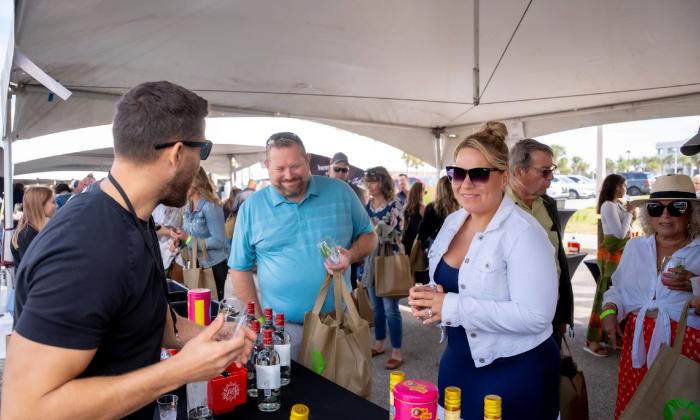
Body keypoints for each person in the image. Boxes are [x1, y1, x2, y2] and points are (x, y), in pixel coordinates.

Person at [2, 81, 255, 420]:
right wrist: (181, 370)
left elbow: (145, 313)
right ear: (178, 154)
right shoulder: (85, 246)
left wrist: (212, 335)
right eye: (202, 151)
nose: (200, 165)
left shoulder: (134, 216)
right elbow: (25, 410)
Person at [408, 123, 560, 419]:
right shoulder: (453, 221)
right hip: (458, 364)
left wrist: (450, 306)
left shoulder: (523, 232)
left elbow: (536, 315)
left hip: (515, 372)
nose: (466, 184)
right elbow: (451, 284)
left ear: (503, 178)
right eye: (457, 173)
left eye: (478, 174)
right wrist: (431, 296)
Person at [229, 132, 377, 359]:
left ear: (307, 159)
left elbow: (369, 236)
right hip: (283, 330)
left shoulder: (340, 192)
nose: (288, 175)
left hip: (337, 322)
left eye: (295, 166)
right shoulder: (252, 208)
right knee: (291, 392)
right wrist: (260, 322)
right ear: (267, 166)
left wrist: (352, 254)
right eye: (279, 169)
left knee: (342, 390)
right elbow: (240, 269)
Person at [601, 174, 700, 419]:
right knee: (636, 407)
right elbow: (618, 289)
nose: (665, 215)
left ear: (691, 214)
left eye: (677, 207)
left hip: (685, 342)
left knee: (679, 408)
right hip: (639, 341)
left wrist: (695, 284)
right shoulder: (636, 247)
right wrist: (609, 311)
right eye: (656, 208)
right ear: (649, 215)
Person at [508, 137, 574, 346]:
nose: (551, 177)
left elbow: (558, 258)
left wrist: (564, 310)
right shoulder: (496, 207)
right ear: (519, 171)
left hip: (551, 312)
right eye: (545, 171)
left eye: (552, 170)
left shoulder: (548, 205)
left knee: (549, 372)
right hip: (511, 315)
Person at [360, 166, 406, 369]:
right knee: (376, 307)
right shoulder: (369, 203)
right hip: (371, 259)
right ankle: (379, 343)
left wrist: (375, 227)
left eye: (373, 181)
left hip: (389, 259)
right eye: (368, 181)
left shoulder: (394, 204)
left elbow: (399, 231)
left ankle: (397, 351)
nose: (370, 185)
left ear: (383, 182)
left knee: (391, 308)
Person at [584, 174, 634, 357]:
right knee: (605, 296)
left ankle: (610, 335)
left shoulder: (617, 205)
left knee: (619, 295)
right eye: (624, 185)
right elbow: (620, 235)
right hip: (612, 255)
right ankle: (592, 340)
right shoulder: (608, 206)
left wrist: (628, 212)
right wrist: (630, 213)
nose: (626, 189)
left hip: (621, 255)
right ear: (615, 187)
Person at [172, 167, 230, 300]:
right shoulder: (187, 207)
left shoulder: (211, 207)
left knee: (213, 308)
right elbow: (189, 236)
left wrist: (189, 240)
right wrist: (180, 240)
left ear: (195, 182)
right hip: (196, 264)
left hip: (213, 266)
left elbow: (219, 241)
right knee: (198, 308)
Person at [10, 186, 56, 267]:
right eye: (53, 202)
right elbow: (33, 268)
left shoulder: (31, 231)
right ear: (41, 204)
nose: (55, 206)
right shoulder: (27, 235)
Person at [417, 175, 459, 249]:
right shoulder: (459, 207)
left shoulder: (431, 207)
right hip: (455, 247)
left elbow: (422, 231)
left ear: (438, 189)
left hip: (435, 247)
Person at [402, 181, 427, 283]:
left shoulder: (405, 207)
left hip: (406, 240)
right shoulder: (422, 208)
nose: (425, 194)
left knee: (410, 270)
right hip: (416, 241)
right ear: (420, 192)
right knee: (416, 269)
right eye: (424, 191)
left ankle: (410, 294)